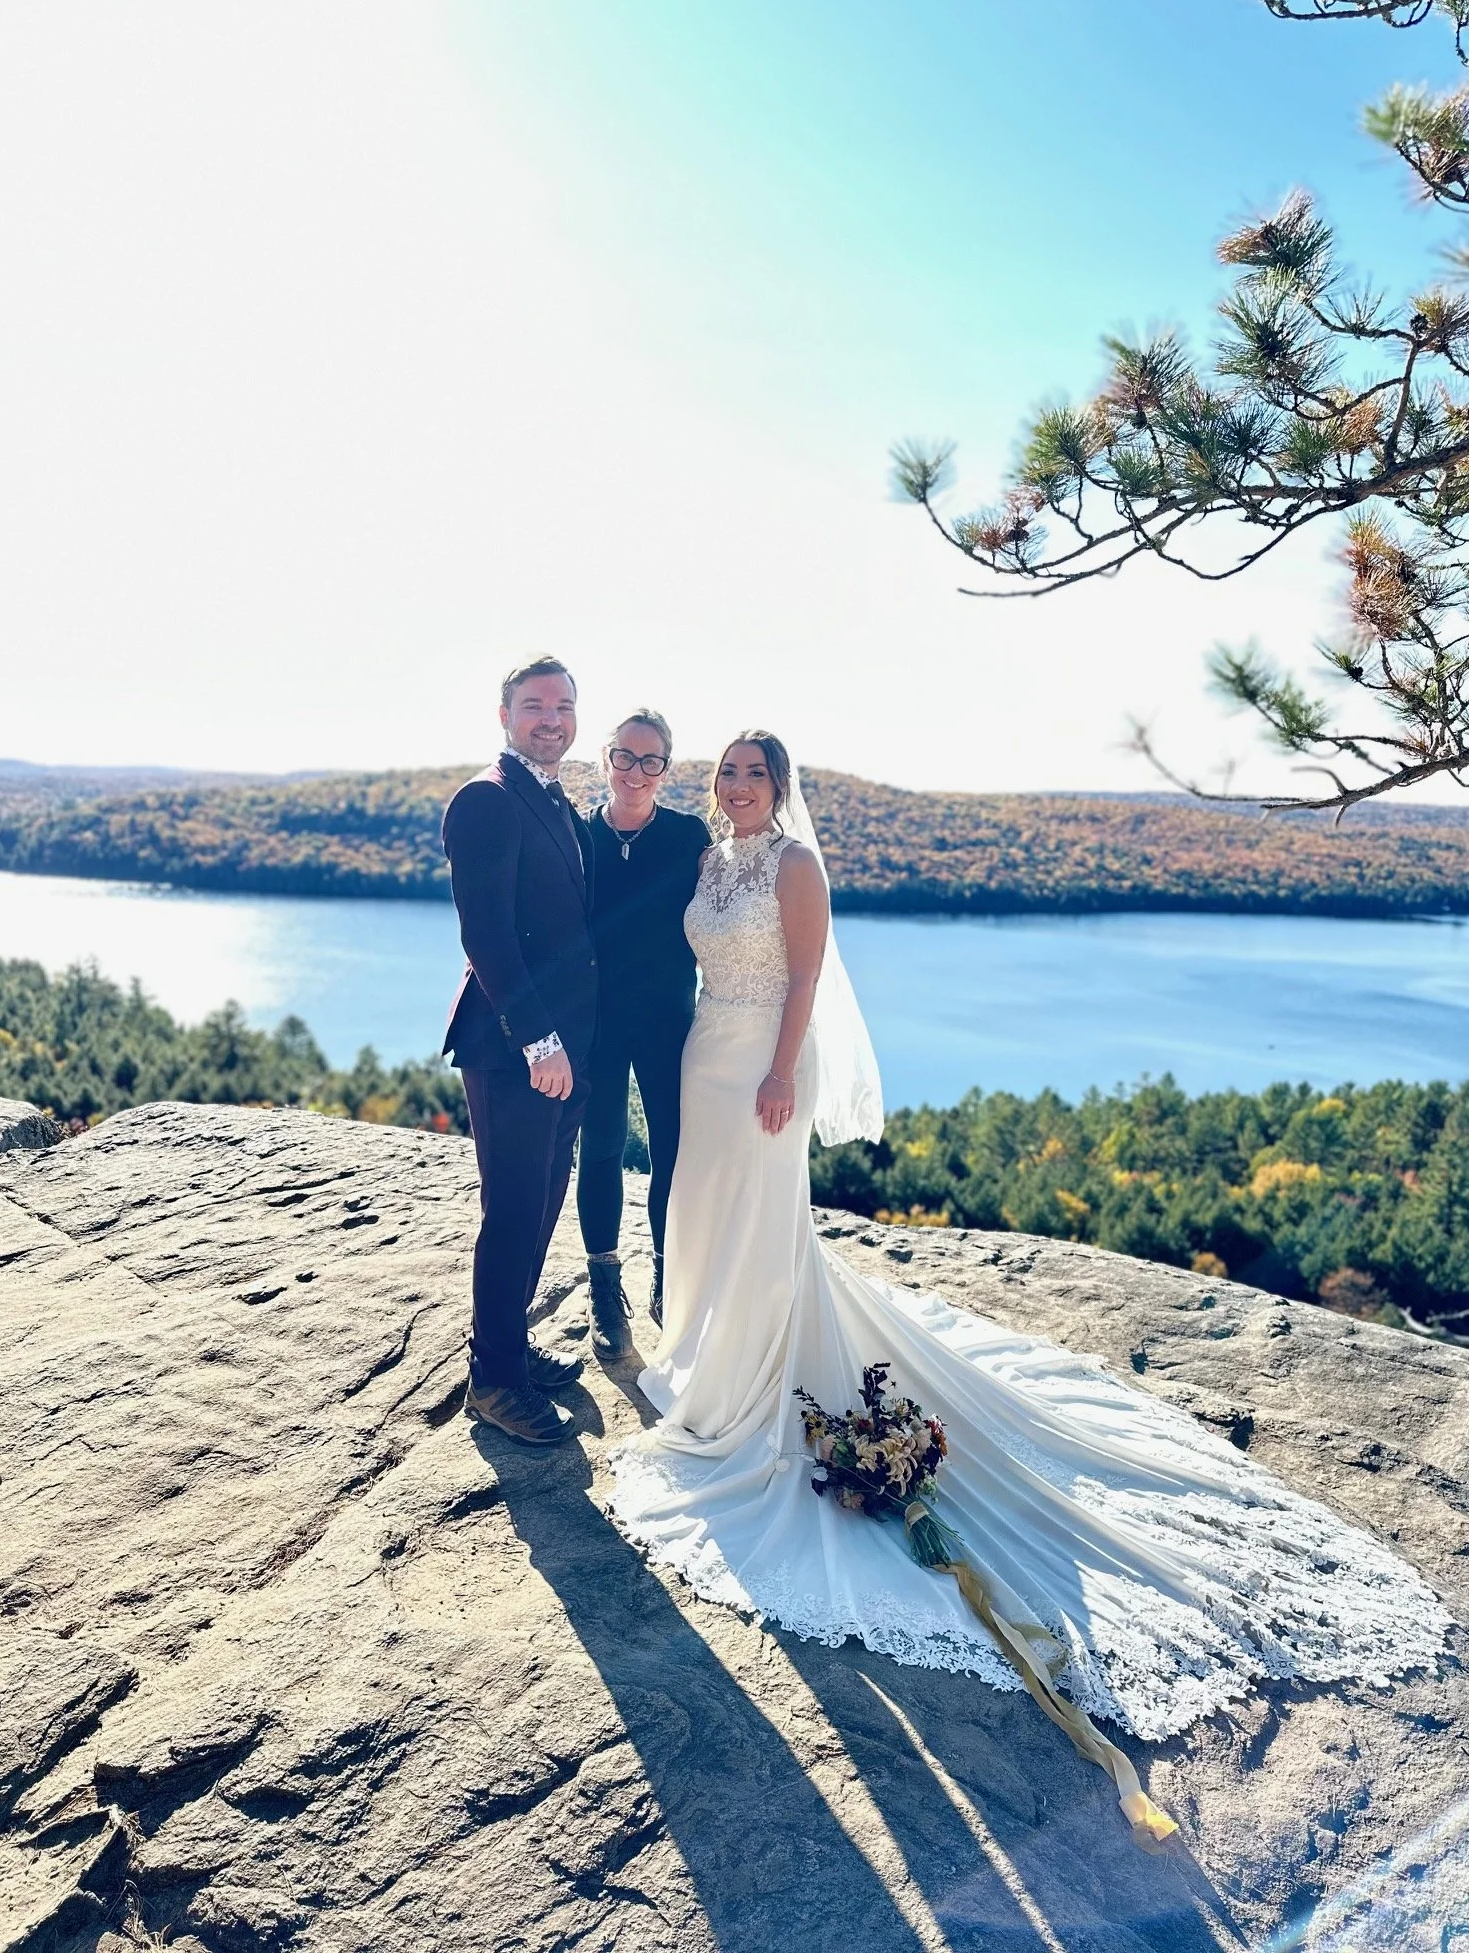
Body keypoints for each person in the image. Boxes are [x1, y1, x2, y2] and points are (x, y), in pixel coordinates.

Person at [608, 730, 1447, 1831]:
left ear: (782, 786)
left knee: (765, 1227)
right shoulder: (711, 859)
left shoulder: (795, 865)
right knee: (700, 1213)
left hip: (766, 1062)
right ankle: (702, 1350)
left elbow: (805, 976)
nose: (736, 786)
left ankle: (755, 1380)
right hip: (702, 1057)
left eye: (753, 773)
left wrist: (777, 1072)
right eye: (726, 772)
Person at [441, 656, 596, 1447]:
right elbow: (488, 936)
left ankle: (508, 1342)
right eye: (535, 705)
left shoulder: (553, 798)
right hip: (515, 1049)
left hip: (565, 1048)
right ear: (505, 716)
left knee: (540, 1201)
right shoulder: (487, 799)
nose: (551, 719)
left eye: (563, 706)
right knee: (511, 1210)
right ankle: (495, 1382)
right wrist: (539, 1041)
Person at [576, 708, 710, 1359]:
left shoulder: (688, 836)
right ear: (606, 760)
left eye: (650, 760)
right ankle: (605, 1290)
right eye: (624, 757)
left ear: (666, 769)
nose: (635, 770)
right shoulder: (576, 836)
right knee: (601, 1147)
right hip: (596, 1023)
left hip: (668, 1020)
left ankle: (667, 1275)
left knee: (673, 1150)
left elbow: (729, 911)